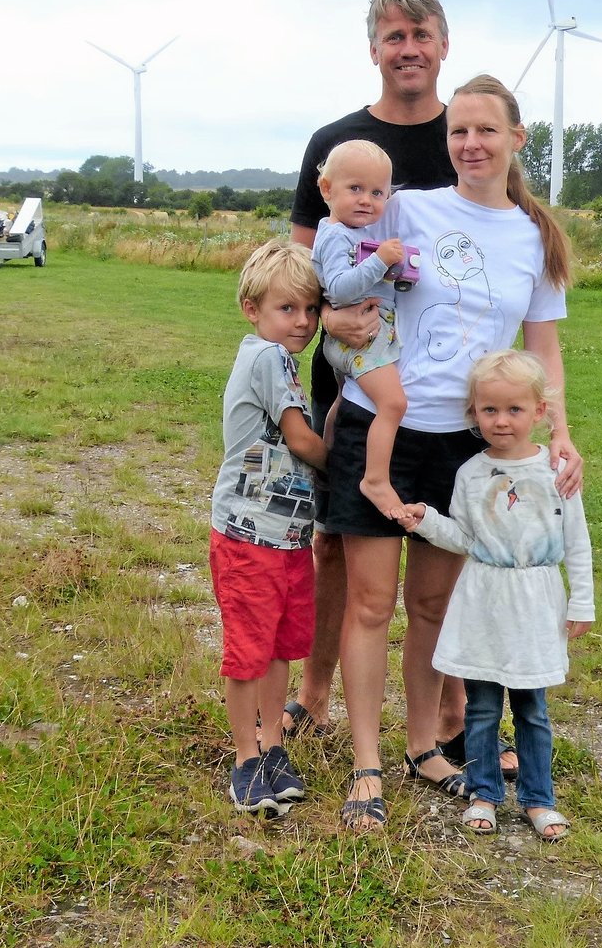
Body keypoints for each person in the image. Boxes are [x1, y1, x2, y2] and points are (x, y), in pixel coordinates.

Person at [331, 73, 582, 831]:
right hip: (380, 427)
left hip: (466, 448)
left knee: (433, 605)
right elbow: (332, 262)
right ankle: (366, 763)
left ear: (516, 139)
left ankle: (423, 746)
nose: (470, 144)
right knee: (370, 602)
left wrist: (560, 431)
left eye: (485, 130)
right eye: (458, 132)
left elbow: (542, 349)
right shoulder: (408, 206)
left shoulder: (535, 239)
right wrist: (330, 319)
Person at [282, 0, 457, 741]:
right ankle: (316, 691)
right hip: (353, 375)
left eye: (420, 35)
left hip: (450, 381)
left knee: (446, 548)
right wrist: (326, 315)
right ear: (373, 49)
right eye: (394, 36)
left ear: (444, 44)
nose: (408, 49)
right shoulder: (335, 141)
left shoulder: (467, 137)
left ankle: (450, 711)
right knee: (335, 540)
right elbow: (296, 263)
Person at [398, 350, 594, 842]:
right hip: (483, 602)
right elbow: (466, 539)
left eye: (514, 409)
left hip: (535, 603)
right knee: (482, 707)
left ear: (539, 411)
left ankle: (538, 798)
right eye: (489, 410)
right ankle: (484, 792)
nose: (501, 421)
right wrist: (428, 521)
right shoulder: (470, 473)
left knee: (532, 709)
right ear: (474, 412)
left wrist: (582, 601)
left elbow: (576, 540)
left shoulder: (555, 470)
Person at [210, 241, 328, 817]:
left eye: (311, 309)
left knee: (280, 646)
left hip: (286, 536)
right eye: (287, 308)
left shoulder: (279, 360)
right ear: (251, 309)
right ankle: (244, 758)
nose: (302, 321)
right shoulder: (268, 358)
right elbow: (301, 440)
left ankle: (273, 745)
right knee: (249, 651)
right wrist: (360, 469)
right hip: (248, 535)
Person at [310, 139, 412, 520]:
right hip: (359, 341)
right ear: (327, 189)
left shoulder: (348, 232)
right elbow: (339, 289)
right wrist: (380, 260)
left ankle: (328, 459)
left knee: (344, 400)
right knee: (393, 404)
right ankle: (375, 479)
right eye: (355, 188)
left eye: (377, 192)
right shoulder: (337, 235)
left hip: (354, 339)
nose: (366, 200)